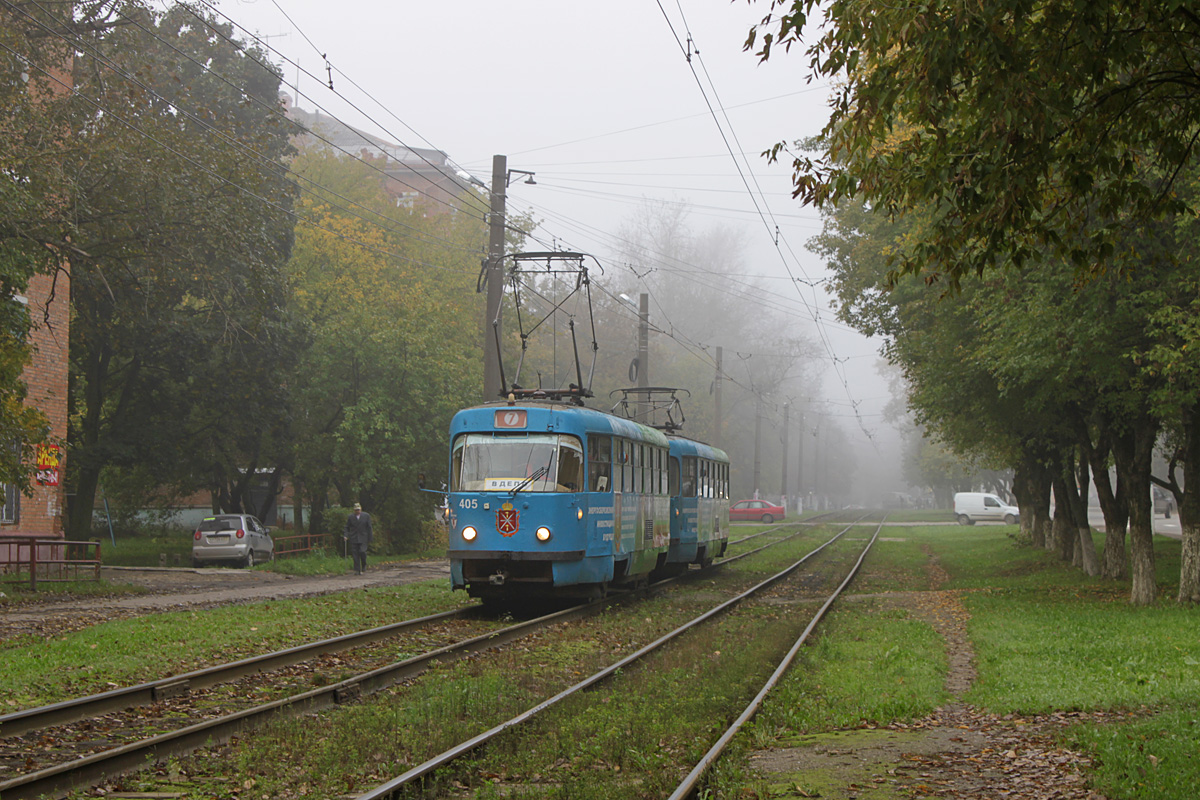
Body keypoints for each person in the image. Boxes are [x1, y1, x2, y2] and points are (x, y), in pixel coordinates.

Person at [343, 502, 373, 575]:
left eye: (358, 510)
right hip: (354, 538)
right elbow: (347, 527)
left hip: (363, 537)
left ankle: (364, 564)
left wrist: (370, 537)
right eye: (356, 510)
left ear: (361, 509)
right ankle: (357, 569)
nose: (357, 511)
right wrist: (346, 535)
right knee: (355, 554)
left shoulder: (366, 516)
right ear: (354, 510)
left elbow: (369, 527)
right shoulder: (351, 517)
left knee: (362, 551)